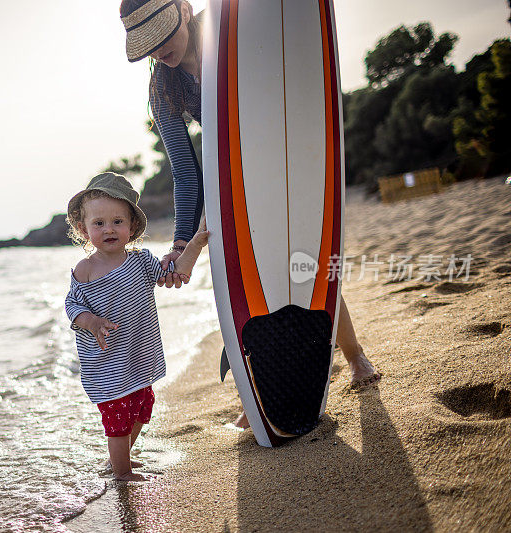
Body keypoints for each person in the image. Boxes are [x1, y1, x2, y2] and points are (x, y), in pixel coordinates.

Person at [119, 0, 381, 429]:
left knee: (303, 264)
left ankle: (354, 357)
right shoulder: (162, 88)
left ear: (184, 11)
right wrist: (183, 241)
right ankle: (263, 391)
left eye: (163, 33)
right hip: (233, 178)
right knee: (237, 279)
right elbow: (186, 172)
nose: (160, 49)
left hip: (285, 159)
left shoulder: (230, 31)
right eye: (148, 44)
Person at [65, 172, 208, 481]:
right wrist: (91, 322)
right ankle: (121, 472)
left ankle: (120, 459)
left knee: (142, 408)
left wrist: (194, 244)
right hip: (107, 362)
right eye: (99, 223)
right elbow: (72, 306)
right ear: (83, 229)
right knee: (117, 420)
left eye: (118, 221)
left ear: (131, 226)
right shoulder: (85, 270)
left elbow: (177, 274)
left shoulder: (141, 261)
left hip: (138, 357)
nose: (109, 229)